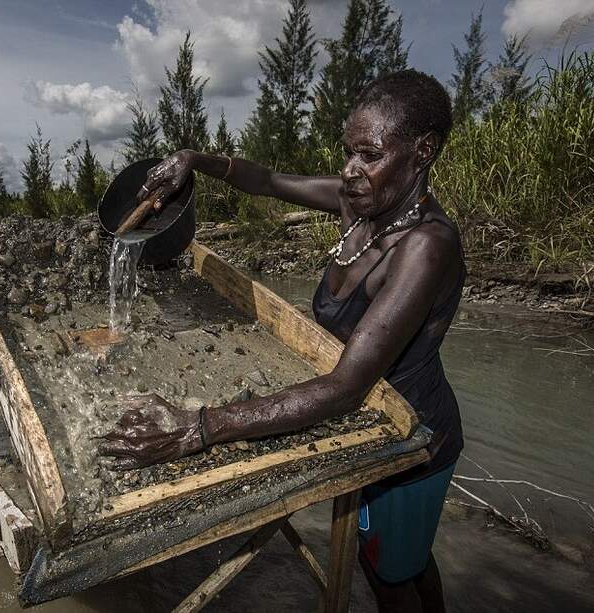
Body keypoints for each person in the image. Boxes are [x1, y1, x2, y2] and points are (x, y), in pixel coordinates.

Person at [99, 70, 464, 613]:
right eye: (348, 153)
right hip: (365, 421)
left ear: (422, 152)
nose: (350, 171)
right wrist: (192, 159)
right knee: (399, 557)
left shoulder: (424, 248)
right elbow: (267, 180)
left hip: (412, 434)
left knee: (389, 572)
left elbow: (343, 387)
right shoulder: (360, 206)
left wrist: (198, 427)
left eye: (369, 155)